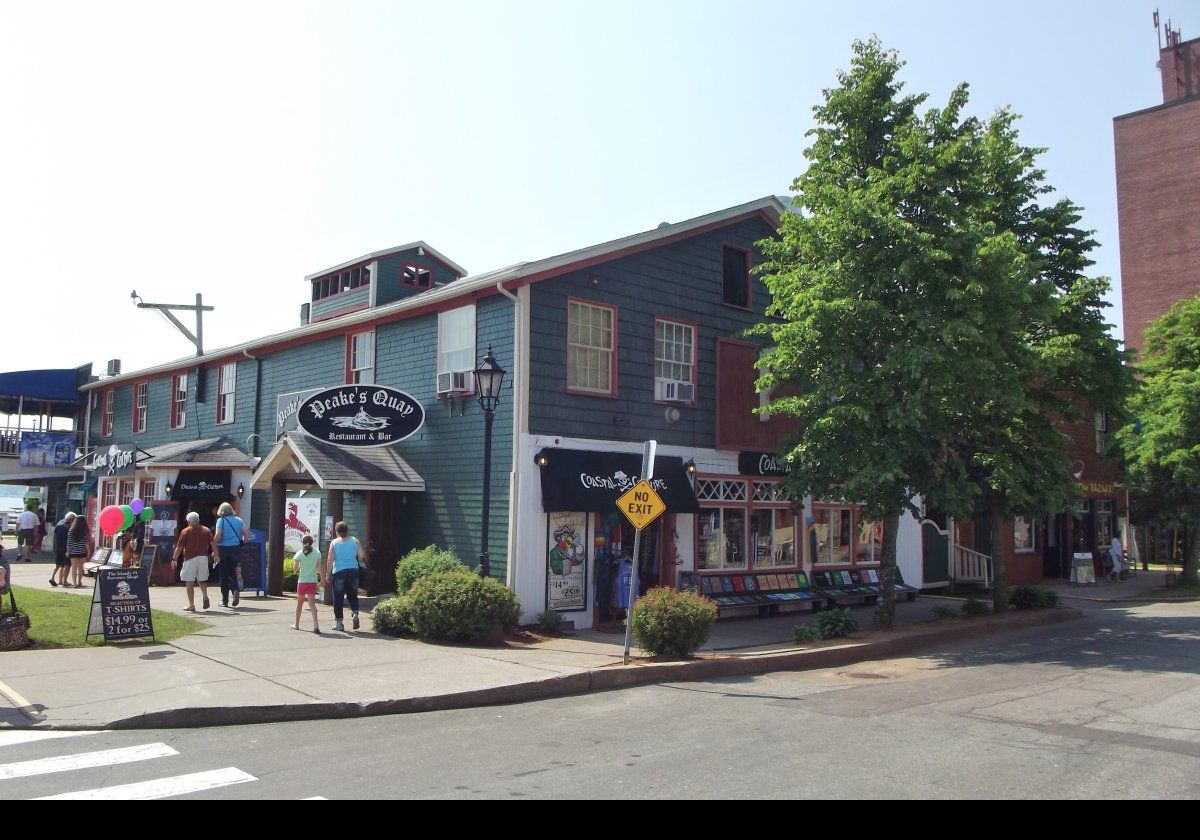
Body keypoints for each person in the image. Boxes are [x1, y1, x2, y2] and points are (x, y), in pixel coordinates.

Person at [324, 521, 365, 632]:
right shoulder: (355, 540)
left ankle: (339, 623)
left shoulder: (334, 543)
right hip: (354, 571)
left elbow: (330, 559)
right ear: (347, 530)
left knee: (338, 597)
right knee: (352, 595)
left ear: (337, 532)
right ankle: (355, 614)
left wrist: (328, 574)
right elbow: (361, 556)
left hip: (339, 572)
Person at [173, 512, 217, 612]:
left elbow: (179, 547)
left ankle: (191, 605)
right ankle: (205, 596)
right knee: (201, 579)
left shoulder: (186, 531)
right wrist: (216, 555)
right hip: (203, 558)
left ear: (189, 521)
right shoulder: (206, 530)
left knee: (189, 582)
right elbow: (213, 543)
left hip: (190, 558)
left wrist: (174, 559)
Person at [213, 502, 250, 608]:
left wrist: (213, 546)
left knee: (223, 575)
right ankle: (235, 590)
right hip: (236, 549)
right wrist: (243, 542)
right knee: (234, 572)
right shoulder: (239, 520)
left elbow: (218, 534)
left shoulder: (221, 520)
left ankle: (224, 600)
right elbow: (247, 534)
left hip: (223, 549)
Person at [292, 535, 324, 633]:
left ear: (303, 543)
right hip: (312, 582)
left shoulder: (300, 553)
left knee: (299, 604)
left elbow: (295, 569)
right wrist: (322, 580)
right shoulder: (317, 553)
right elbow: (320, 568)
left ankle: (296, 624)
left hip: (302, 582)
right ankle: (316, 625)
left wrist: (300, 565)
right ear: (312, 543)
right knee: (312, 604)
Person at [65, 515, 92, 588]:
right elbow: (86, 543)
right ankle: (79, 582)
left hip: (73, 552)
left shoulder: (71, 530)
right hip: (82, 551)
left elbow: (69, 542)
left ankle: (74, 583)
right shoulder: (84, 531)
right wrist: (88, 552)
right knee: (81, 568)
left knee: (74, 567)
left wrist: (68, 550)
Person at [50, 512, 76, 587]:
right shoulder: (68, 527)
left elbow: (54, 536)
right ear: (72, 519)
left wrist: (54, 546)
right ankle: (64, 581)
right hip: (65, 548)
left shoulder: (59, 524)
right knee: (67, 565)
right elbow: (69, 539)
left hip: (58, 547)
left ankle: (54, 578)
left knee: (59, 565)